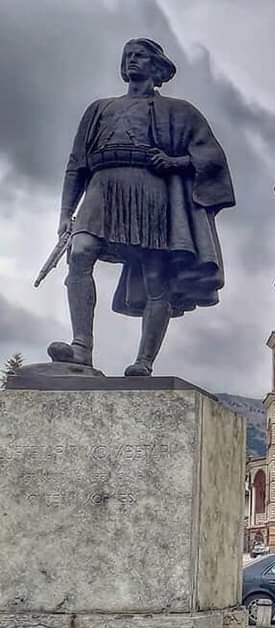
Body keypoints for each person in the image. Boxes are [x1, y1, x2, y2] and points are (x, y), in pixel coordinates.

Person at [49, 38, 234, 375]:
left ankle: (144, 361)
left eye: (140, 56)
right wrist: (65, 212)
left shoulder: (180, 111)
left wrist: (176, 162)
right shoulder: (99, 109)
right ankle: (81, 347)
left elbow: (212, 158)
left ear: (156, 67)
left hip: (152, 191)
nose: (133, 60)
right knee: (80, 252)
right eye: (128, 56)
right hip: (103, 186)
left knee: (154, 274)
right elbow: (77, 163)